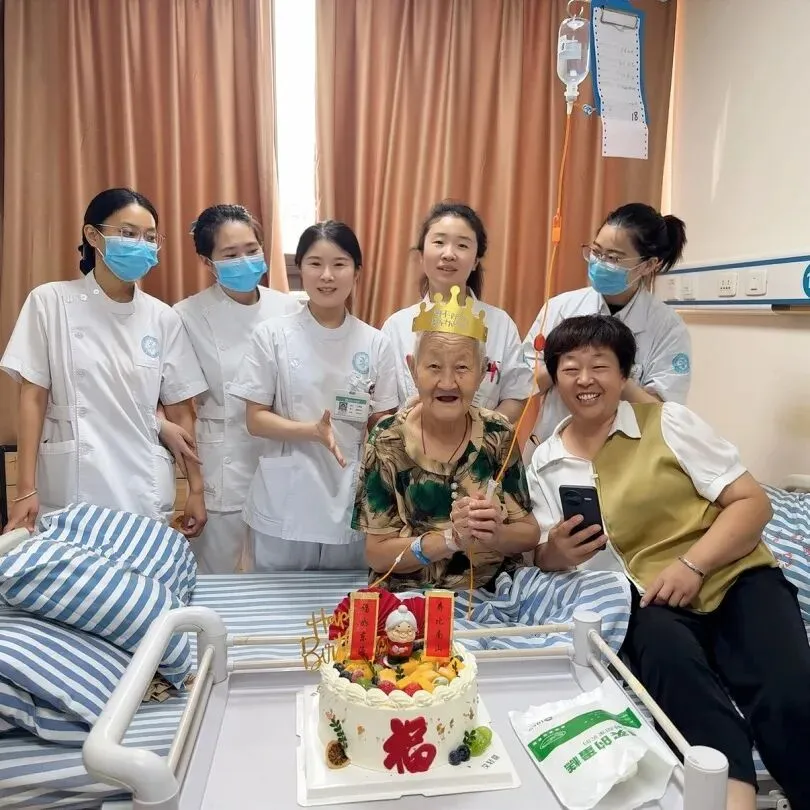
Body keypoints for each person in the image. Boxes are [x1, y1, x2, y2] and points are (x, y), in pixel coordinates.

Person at [527, 314, 810, 810]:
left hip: (733, 574)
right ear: (555, 377)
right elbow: (545, 554)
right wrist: (555, 553)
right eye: (570, 368)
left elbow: (752, 503)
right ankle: (733, 795)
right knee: (677, 680)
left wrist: (693, 565)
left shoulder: (669, 423)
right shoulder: (545, 461)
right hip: (647, 599)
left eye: (600, 366)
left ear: (624, 375)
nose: (585, 379)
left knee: (787, 691)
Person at [353, 288, 629, 652]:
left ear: (483, 372)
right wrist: (450, 540)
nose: (448, 382)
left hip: (502, 590)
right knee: (431, 637)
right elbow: (377, 554)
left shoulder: (498, 434)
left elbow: (527, 533)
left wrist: (493, 534)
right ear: (412, 367)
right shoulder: (387, 440)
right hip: (418, 595)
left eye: (462, 367)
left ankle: (516, 651)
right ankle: (497, 651)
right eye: (434, 367)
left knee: (607, 590)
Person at [1, 187, 208, 535]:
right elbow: (32, 399)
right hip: (73, 485)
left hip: (141, 485)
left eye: (149, 237)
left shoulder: (163, 318)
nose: (141, 244)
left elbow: (181, 411)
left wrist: (197, 489)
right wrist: (25, 489)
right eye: (128, 233)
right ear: (93, 235)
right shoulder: (50, 302)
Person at [229, 221, 399, 570]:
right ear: (300, 270)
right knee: (278, 598)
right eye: (315, 263)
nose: (327, 276)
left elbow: (382, 423)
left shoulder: (375, 342)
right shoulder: (273, 335)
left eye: (339, 264)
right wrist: (312, 431)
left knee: (346, 597)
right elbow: (255, 419)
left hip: (349, 492)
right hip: (286, 497)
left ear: (357, 272)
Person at [168, 204, 301, 573]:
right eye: (230, 254)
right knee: (217, 578)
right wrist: (194, 488)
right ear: (207, 262)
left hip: (280, 458)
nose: (244, 260)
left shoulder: (289, 309)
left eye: (251, 249)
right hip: (222, 465)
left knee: (277, 576)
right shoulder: (186, 315)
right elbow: (176, 405)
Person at [522, 203, 691, 454]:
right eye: (596, 251)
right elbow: (523, 381)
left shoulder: (667, 327)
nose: (600, 263)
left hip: (624, 456)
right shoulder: (560, 308)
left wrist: (615, 377)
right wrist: (564, 365)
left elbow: (663, 413)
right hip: (552, 448)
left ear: (648, 265)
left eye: (613, 258)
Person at [382, 201, 533, 423]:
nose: (449, 254)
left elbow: (516, 394)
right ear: (422, 255)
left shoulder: (500, 324)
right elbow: (384, 404)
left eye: (462, 245)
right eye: (439, 242)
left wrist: (482, 432)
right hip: (412, 440)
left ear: (476, 260)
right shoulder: (396, 326)